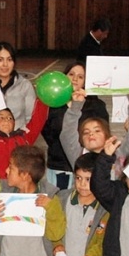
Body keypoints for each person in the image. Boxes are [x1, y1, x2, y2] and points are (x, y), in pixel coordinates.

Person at [41, 62, 103, 191]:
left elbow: (103, 133)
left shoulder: (96, 105)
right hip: (59, 166)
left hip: (86, 168)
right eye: (71, 74)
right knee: (57, 204)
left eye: (80, 77)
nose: (75, 79)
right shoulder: (53, 103)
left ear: (86, 81)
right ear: (64, 78)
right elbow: (46, 132)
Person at [0, 41, 38, 132]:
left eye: (9, 59)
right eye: (0, 60)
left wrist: (21, 136)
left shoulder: (25, 85)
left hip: (18, 140)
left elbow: (30, 117)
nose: (5, 64)